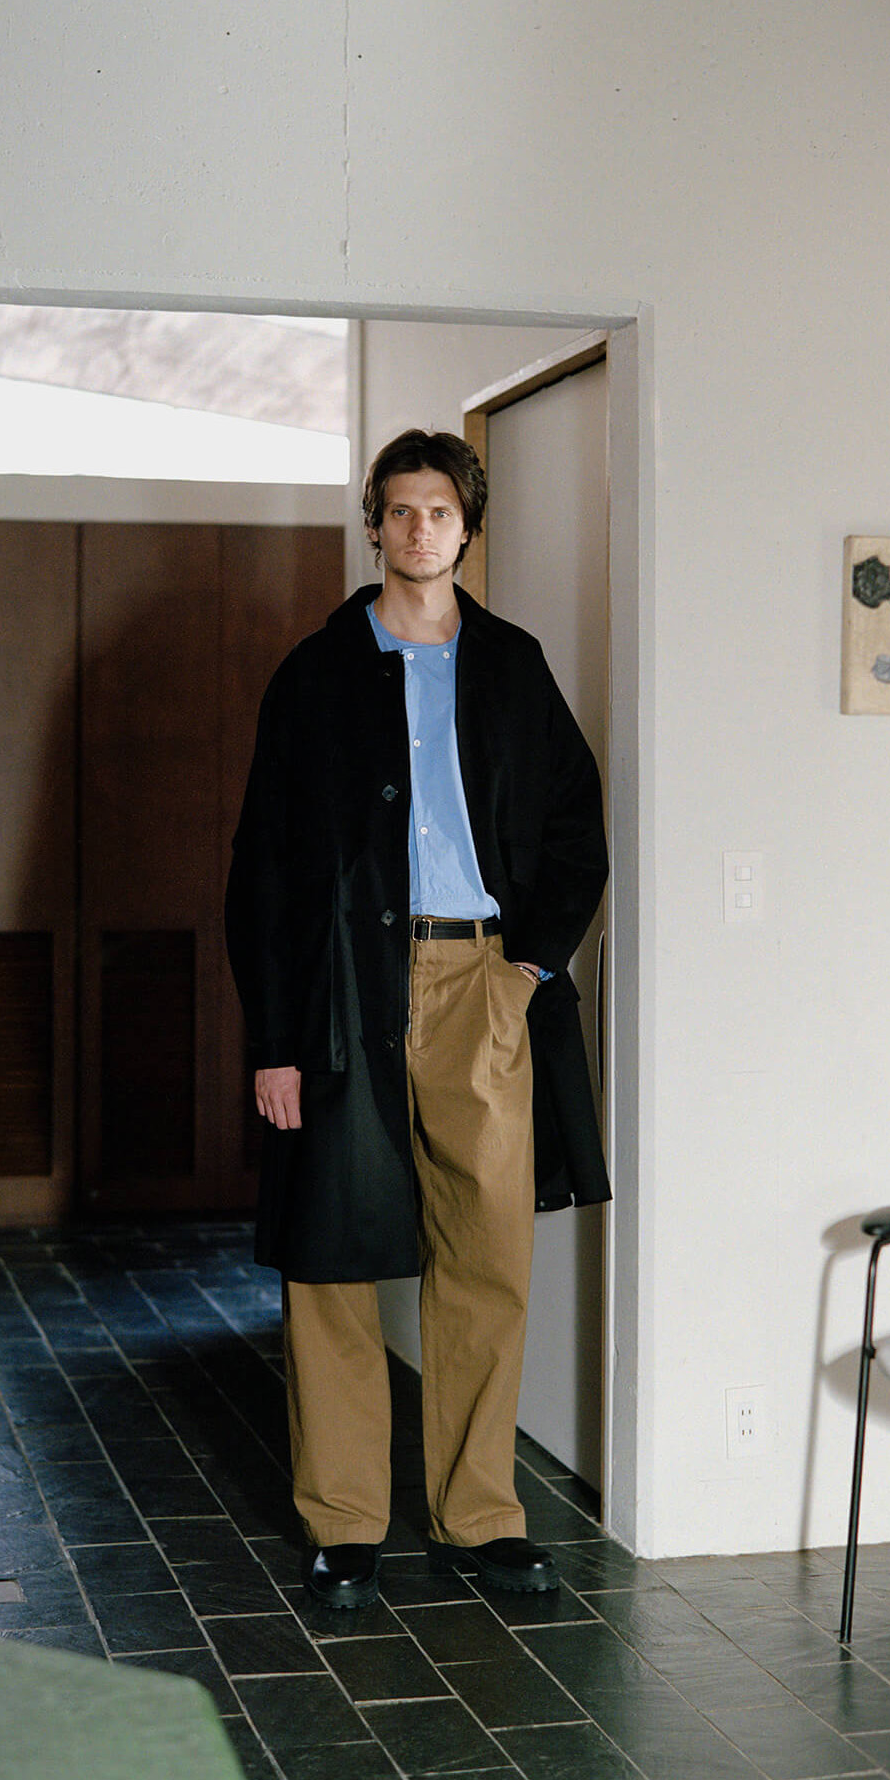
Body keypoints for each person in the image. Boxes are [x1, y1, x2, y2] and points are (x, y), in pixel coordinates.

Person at [225, 426, 609, 1610]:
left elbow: (576, 828)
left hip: (478, 983)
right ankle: (344, 1522)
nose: (418, 528)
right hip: (345, 990)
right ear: (374, 524)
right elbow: (264, 869)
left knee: (487, 1250)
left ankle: (479, 1516)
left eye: (439, 510)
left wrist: (526, 969)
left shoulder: (513, 666)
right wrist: (275, 1043)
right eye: (398, 509)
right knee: (330, 1259)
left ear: (467, 526)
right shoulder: (314, 673)